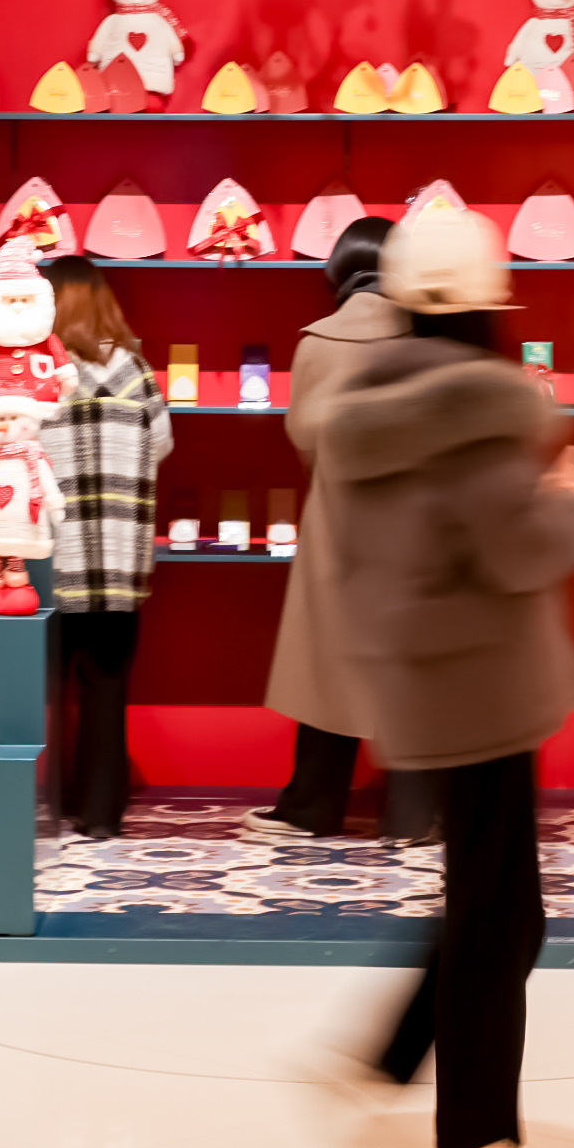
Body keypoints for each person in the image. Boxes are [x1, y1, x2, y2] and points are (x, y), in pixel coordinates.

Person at [318, 207, 574, 1148]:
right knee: (500, 910)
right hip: (486, 681)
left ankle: (397, 1053)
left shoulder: (370, 408)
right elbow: (514, 551)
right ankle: (475, 1134)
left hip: (420, 677)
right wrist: (571, 502)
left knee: (492, 898)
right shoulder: (479, 411)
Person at [244, 217, 434, 843]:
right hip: (415, 525)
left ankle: (312, 807)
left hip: (339, 522)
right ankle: (414, 815)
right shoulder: (425, 335)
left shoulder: (317, 341)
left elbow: (303, 438)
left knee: (327, 669)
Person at [41, 256, 174, 839]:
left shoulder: (40, 376)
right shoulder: (136, 372)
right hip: (119, 562)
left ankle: (42, 805)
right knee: (107, 684)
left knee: (41, 688)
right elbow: (162, 444)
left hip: (52, 558)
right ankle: (100, 814)